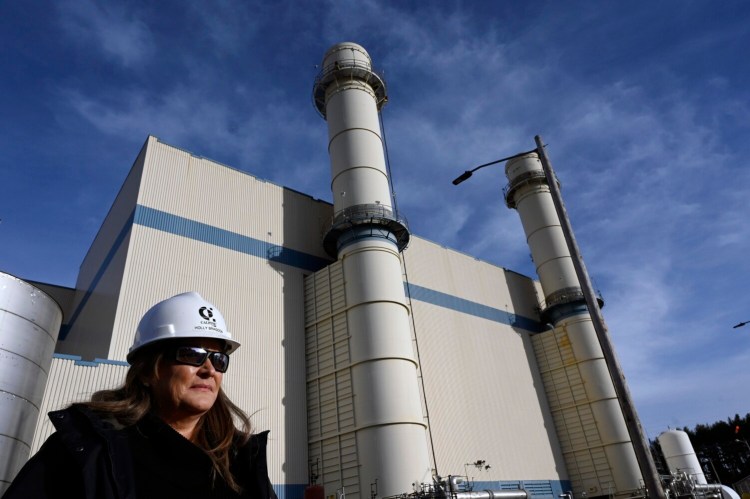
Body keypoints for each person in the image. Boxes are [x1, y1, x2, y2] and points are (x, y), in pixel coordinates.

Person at [4, 291, 277, 499]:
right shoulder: (88, 448)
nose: (209, 369)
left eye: (218, 359)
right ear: (148, 371)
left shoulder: (242, 459)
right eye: (191, 354)